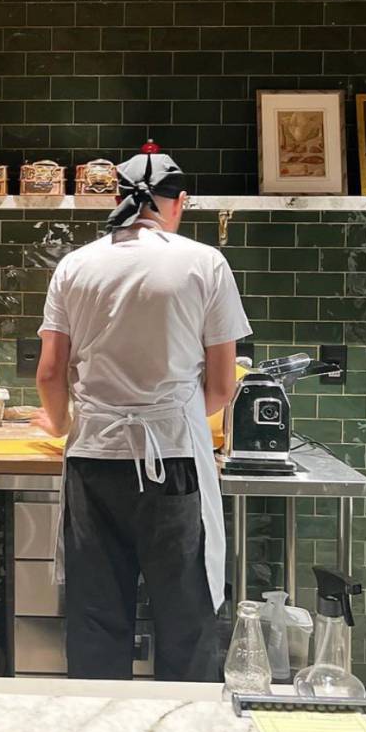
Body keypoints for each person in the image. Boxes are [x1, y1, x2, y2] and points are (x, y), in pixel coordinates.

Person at [35, 147, 250, 681]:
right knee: (185, 620)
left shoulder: (74, 266)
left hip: (94, 461)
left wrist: (61, 424)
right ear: (176, 204)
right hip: (172, 463)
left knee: (95, 619)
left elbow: (48, 373)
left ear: (117, 201)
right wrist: (169, 417)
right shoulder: (204, 263)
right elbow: (223, 385)